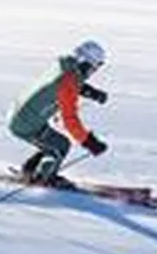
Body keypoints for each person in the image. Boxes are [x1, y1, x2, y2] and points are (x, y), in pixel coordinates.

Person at [9, 40, 112, 184]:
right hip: (26, 124)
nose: (92, 72)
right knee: (59, 147)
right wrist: (89, 142)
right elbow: (70, 119)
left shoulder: (64, 66)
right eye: (93, 68)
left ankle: (29, 169)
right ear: (85, 63)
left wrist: (91, 92)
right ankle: (42, 179)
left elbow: (67, 84)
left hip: (23, 115)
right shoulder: (69, 83)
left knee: (54, 143)